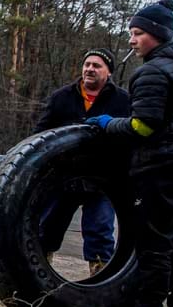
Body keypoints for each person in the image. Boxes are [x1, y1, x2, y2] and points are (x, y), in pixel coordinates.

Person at [87, 0, 173, 307]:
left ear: (158, 33)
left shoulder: (152, 72)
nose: (132, 40)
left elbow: (143, 126)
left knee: (153, 245)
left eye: (137, 33)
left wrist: (109, 124)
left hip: (161, 168)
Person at [35, 49, 130, 273]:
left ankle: (99, 284)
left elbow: (130, 139)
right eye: (87, 64)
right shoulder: (62, 97)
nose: (90, 69)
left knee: (100, 233)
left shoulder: (123, 100)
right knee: (46, 230)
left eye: (97, 66)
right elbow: (39, 135)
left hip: (102, 182)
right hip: (63, 179)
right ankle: (38, 278)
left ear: (108, 72)